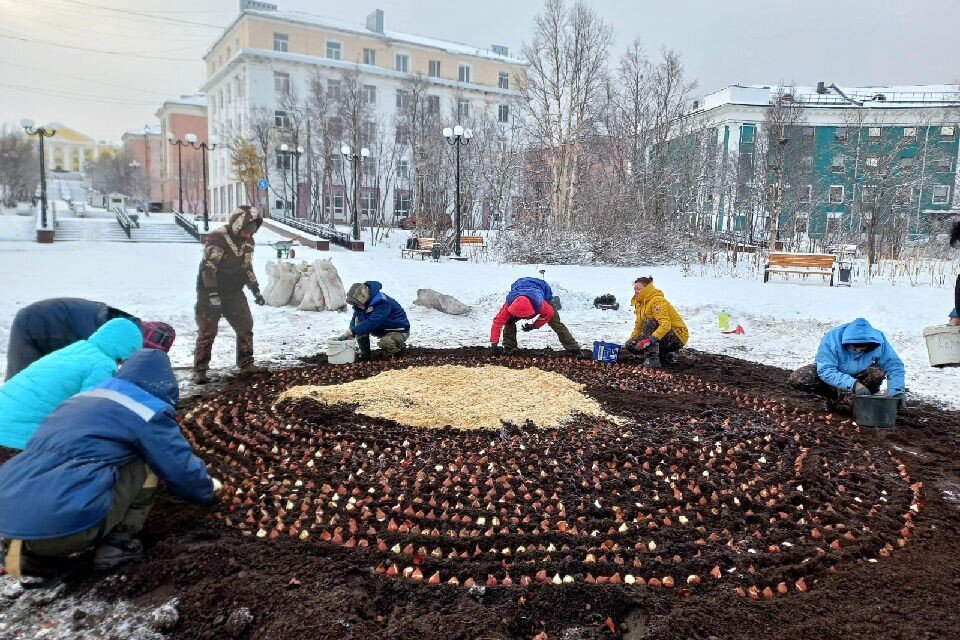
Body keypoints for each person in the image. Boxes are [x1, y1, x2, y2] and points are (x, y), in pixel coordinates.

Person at [0, 349, 220, 580]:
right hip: (66, 531)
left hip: (9, 523)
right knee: (145, 463)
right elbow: (179, 468)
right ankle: (117, 546)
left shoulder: (78, 401)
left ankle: (30, 552)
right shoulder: (145, 410)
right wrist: (206, 490)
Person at [0, 318, 143, 450]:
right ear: (127, 350)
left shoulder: (75, 350)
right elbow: (91, 413)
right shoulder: (102, 365)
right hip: (16, 438)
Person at [6, 298, 175, 380]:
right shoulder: (103, 336)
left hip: (58, 328)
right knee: (22, 381)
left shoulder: (124, 327)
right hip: (32, 325)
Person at [194, 205, 265, 384]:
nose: (249, 234)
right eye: (246, 230)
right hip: (210, 291)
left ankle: (246, 362)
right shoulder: (218, 238)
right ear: (238, 224)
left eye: (252, 231)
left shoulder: (249, 242)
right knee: (208, 331)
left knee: (245, 325)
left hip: (234, 291)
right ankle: (200, 369)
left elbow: (247, 267)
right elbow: (208, 268)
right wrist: (212, 294)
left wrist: (255, 290)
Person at [788, 317, 906, 407]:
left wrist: (896, 391)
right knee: (799, 377)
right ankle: (833, 395)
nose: (859, 351)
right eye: (854, 348)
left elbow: (893, 364)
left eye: (863, 349)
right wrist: (853, 384)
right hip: (834, 375)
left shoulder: (879, 340)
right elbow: (826, 370)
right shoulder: (832, 339)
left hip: (861, 374)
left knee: (877, 372)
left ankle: (862, 398)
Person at [489, 277, 582, 356]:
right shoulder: (509, 305)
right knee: (508, 321)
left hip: (542, 290)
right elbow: (497, 322)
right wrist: (494, 343)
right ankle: (509, 346)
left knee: (556, 323)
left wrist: (534, 325)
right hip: (520, 287)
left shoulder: (542, 304)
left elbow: (548, 315)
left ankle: (573, 348)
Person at [624, 276, 689, 368]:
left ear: (646, 289)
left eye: (638, 289)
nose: (635, 291)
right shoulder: (640, 304)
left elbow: (665, 325)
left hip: (677, 335)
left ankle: (652, 359)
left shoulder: (657, 301)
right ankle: (664, 355)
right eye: (634, 289)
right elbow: (638, 325)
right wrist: (634, 339)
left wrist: (649, 340)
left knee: (650, 322)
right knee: (630, 344)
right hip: (661, 336)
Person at [342, 281, 410, 360]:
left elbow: (373, 321)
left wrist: (353, 331)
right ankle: (365, 355)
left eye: (359, 304)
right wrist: (351, 332)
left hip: (398, 329)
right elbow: (356, 319)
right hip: (382, 328)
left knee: (386, 343)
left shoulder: (382, 303)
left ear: (365, 297)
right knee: (359, 326)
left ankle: (398, 352)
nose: (358, 306)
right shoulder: (362, 305)